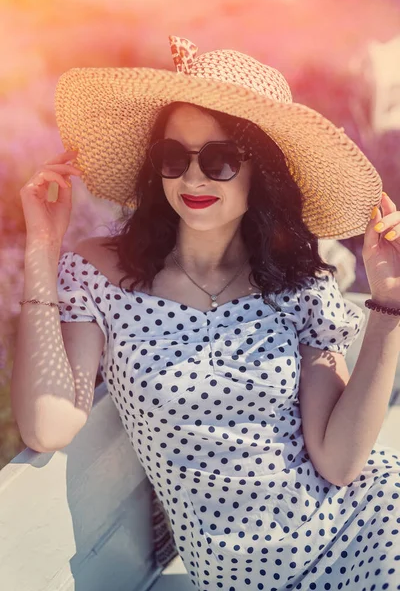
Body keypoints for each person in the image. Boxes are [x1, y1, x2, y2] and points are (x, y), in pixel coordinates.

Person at [11, 35, 400, 590]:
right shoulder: (101, 274)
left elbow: (338, 463)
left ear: (259, 171)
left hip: (363, 533)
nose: (192, 179)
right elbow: (49, 425)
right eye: (175, 158)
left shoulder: (298, 285)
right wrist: (41, 251)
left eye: (218, 160)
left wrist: (390, 303)